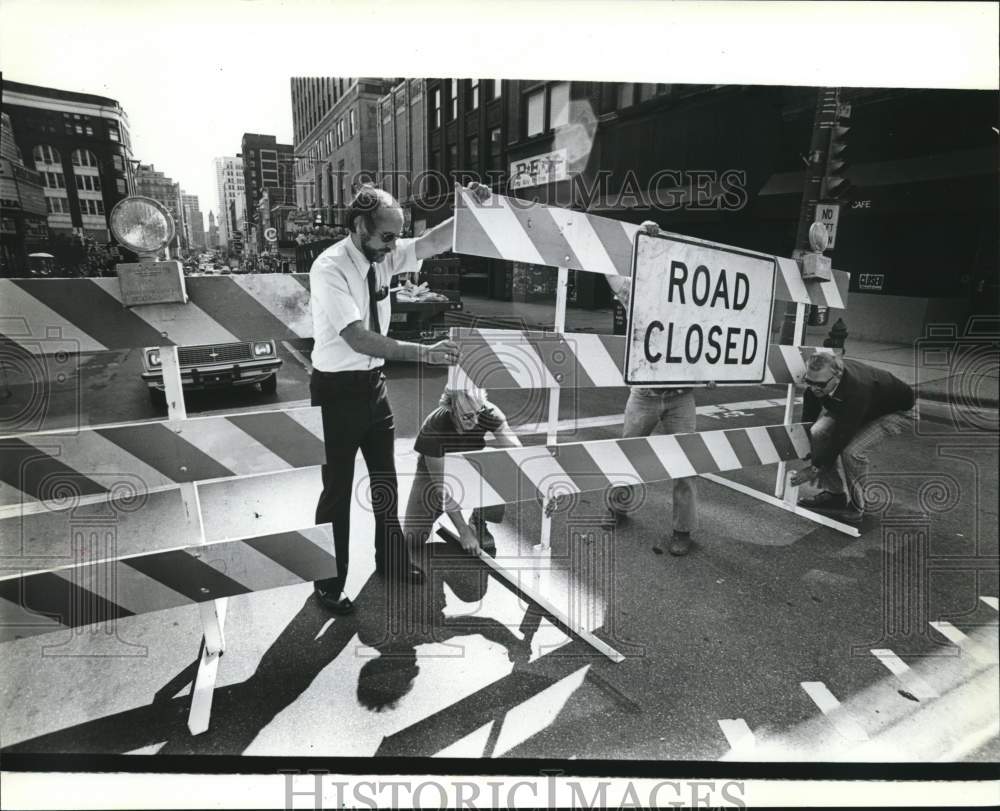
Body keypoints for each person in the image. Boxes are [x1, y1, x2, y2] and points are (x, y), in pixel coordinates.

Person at [309, 181, 491, 615]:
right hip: (336, 389)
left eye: (396, 235)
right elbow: (356, 337)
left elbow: (432, 241)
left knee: (385, 482)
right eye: (386, 236)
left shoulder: (384, 253)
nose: (393, 246)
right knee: (335, 490)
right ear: (358, 227)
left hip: (374, 386)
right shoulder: (329, 267)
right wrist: (422, 352)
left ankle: (390, 562)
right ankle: (328, 582)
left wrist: (465, 209)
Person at [603, 220, 701, 556]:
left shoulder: (697, 305)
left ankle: (682, 531)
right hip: (644, 393)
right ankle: (618, 507)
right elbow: (611, 269)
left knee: (685, 466)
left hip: (681, 396)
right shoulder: (639, 294)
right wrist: (639, 237)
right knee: (627, 454)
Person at [791, 353, 915, 523]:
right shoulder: (817, 386)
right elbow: (809, 420)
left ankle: (858, 504)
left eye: (819, 384)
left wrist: (815, 469)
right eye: (809, 381)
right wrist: (813, 450)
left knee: (851, 452)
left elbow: (841, 436)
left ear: (838, 375)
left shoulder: (857, 389)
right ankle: (834, 495)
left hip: (895, 411)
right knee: (817, 432)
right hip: (861, 405)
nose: (813, 388)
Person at [402, 386, 521, 560]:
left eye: (478, 413)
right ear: (451, 409)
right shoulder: (433, 427)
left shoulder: (487, 412)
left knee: (500, 461)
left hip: (470, 464)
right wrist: (463, 532)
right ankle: (442, 510)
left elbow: (519, 453)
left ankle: (478, 520)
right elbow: (442, 488)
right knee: (413, 537)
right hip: (435, 473)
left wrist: (542, 489)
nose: (475, 421)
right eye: (467, 417)